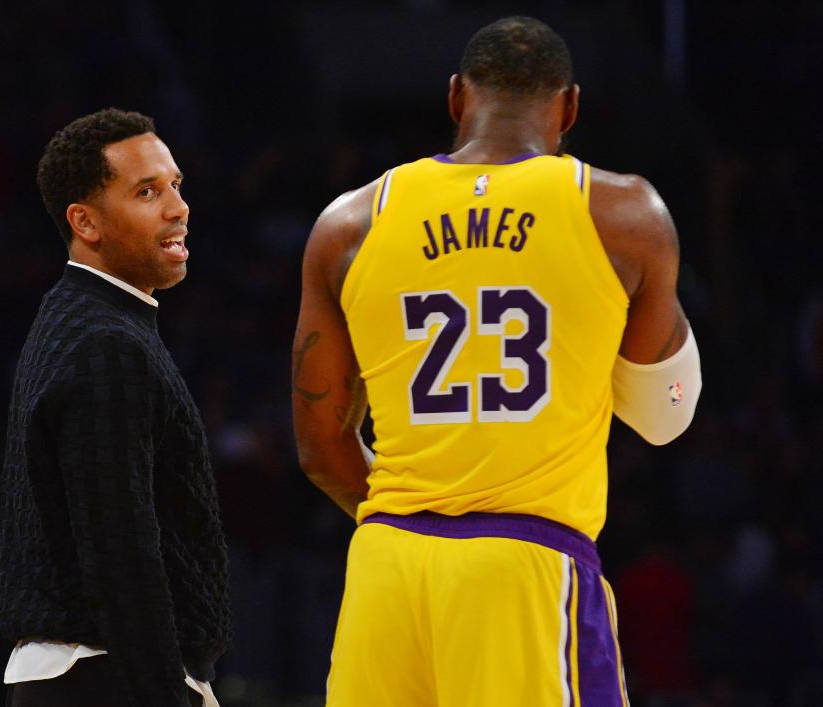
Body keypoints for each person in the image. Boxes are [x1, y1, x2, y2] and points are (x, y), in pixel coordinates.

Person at [292, 16, 701, 707]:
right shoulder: (625, 214)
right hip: (526, 564)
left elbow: (319, 447)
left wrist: (430, 519)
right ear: (570, 108)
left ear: (456, 99)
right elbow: (665, 417)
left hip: (387, 567)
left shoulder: (348, 223)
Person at [0, 108, 230, 707]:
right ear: (86, 221)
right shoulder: (105, 343)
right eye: (146, 192)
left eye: (175, 185)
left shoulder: (87, 321)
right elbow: (120, 558)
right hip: (105, 677)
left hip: (95, 673)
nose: (177, 208)